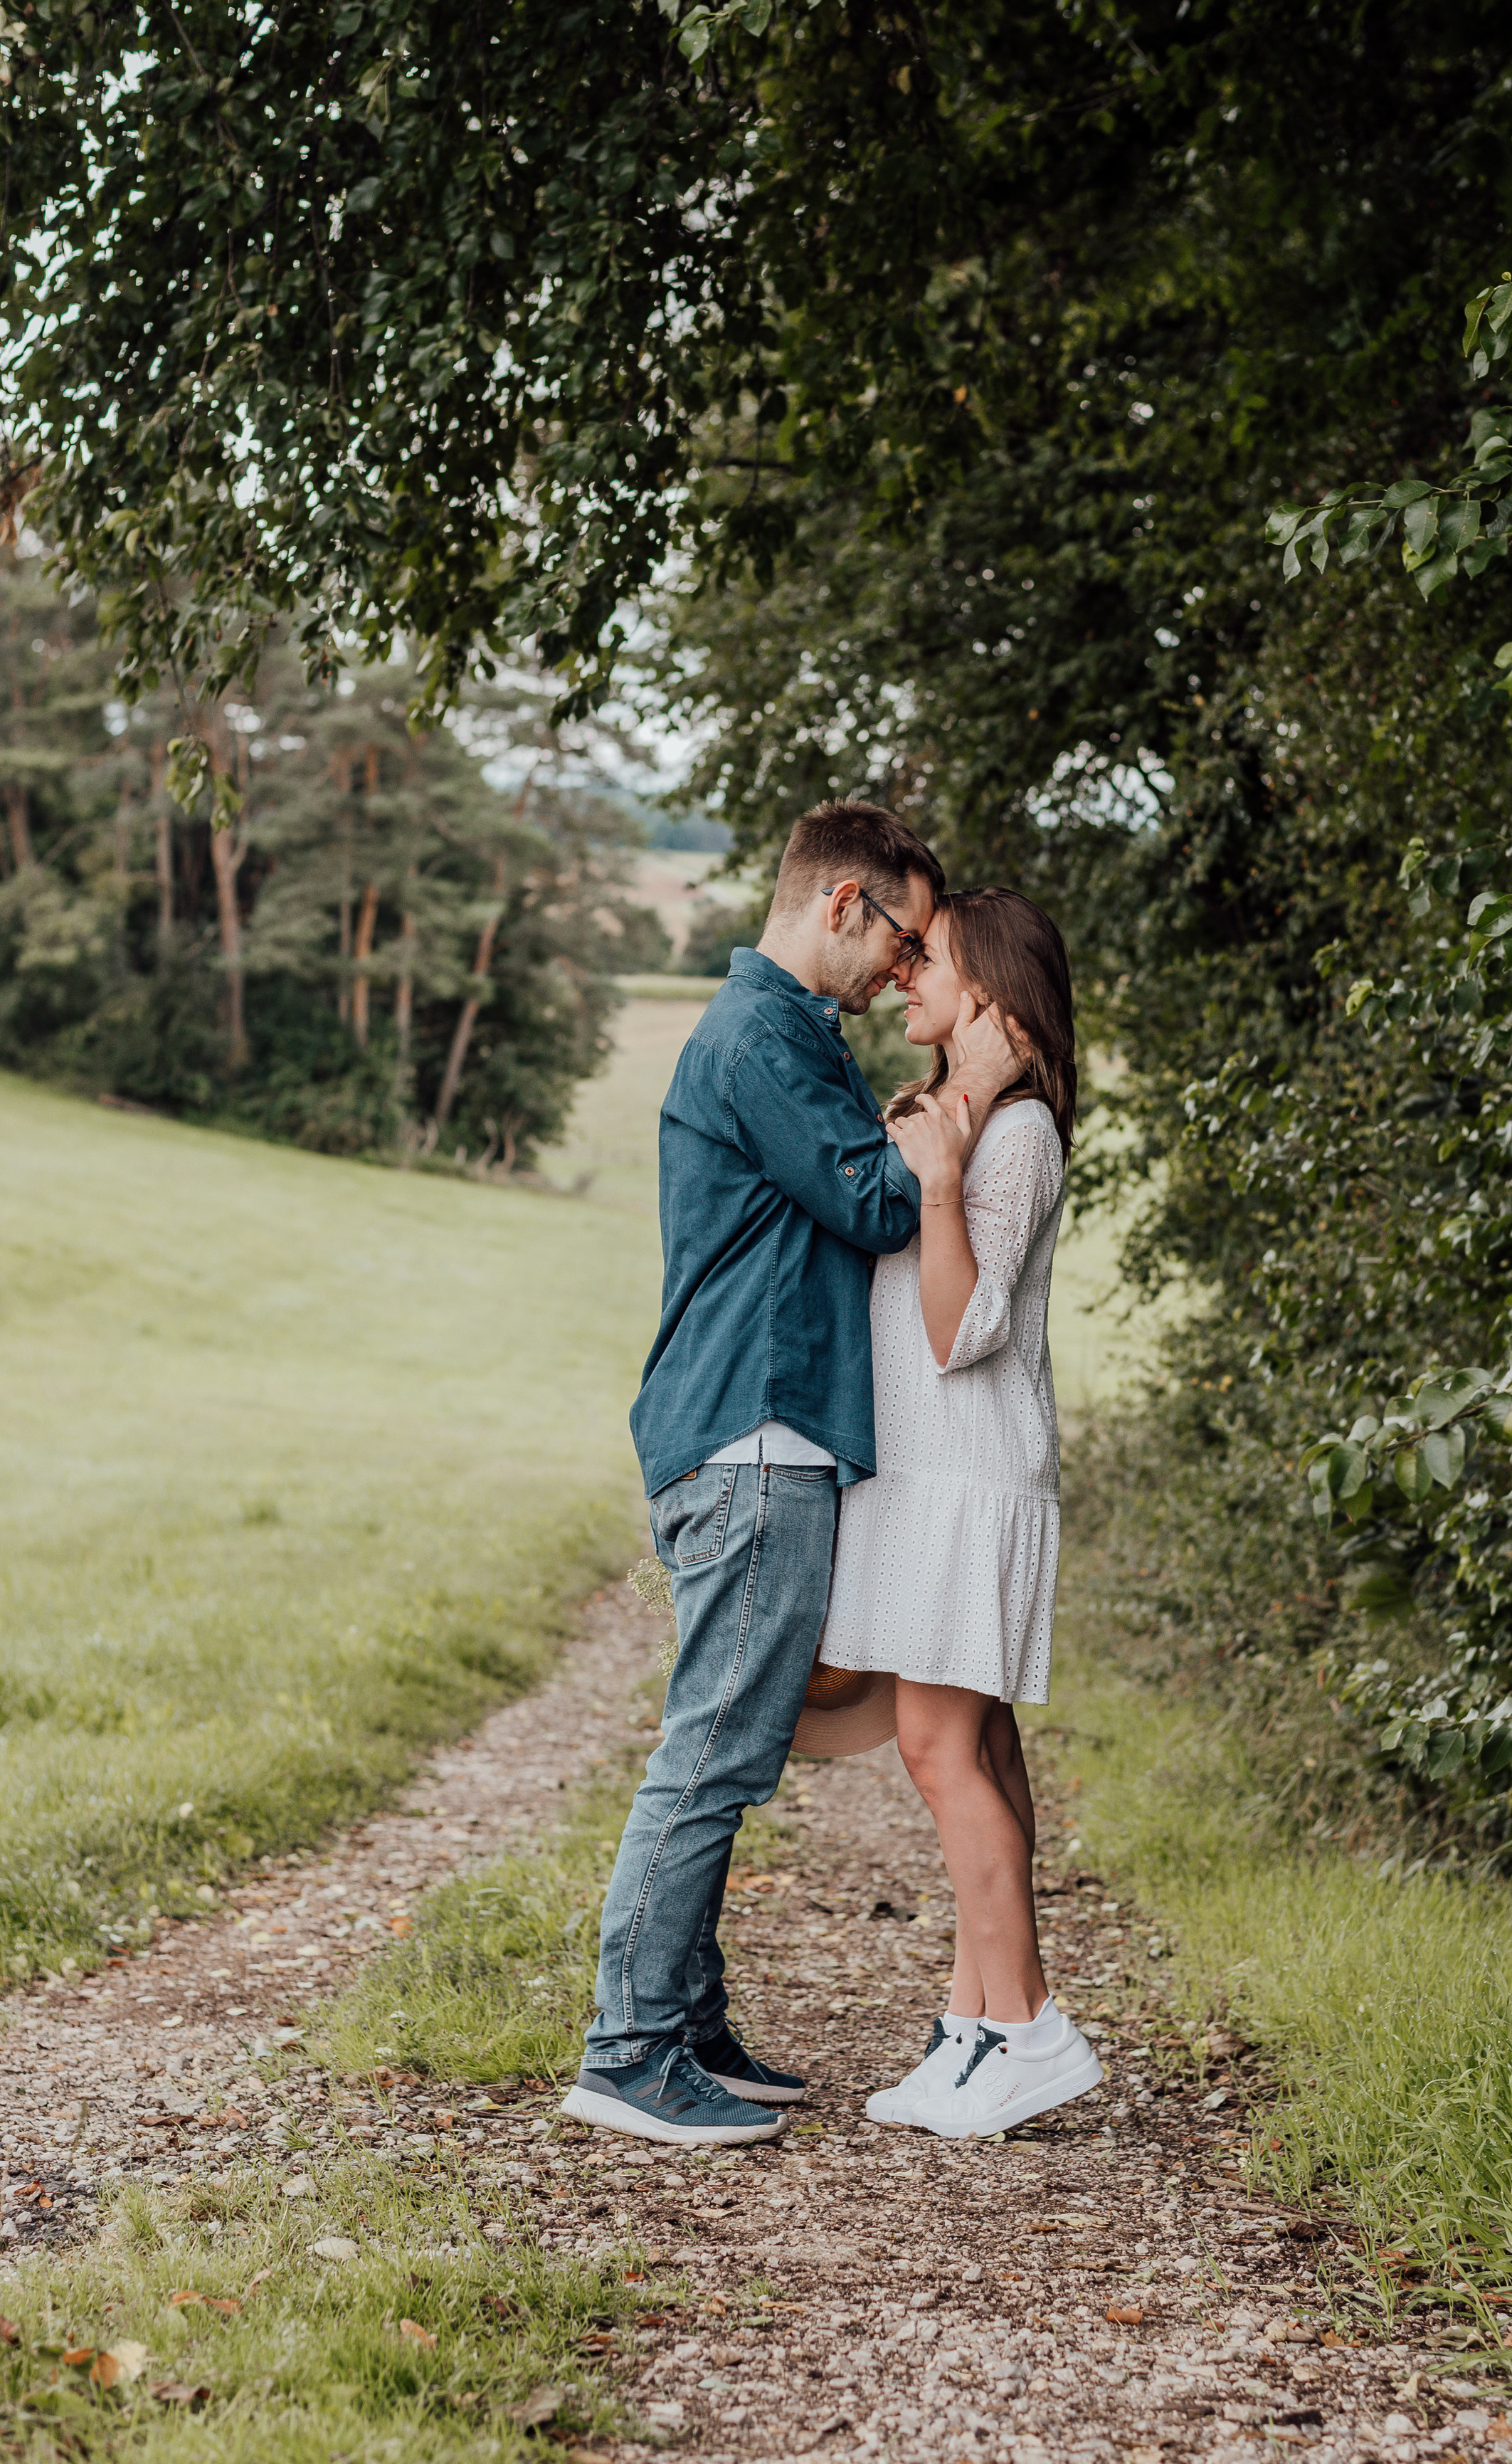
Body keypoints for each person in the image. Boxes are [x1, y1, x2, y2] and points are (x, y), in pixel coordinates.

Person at [561, 802, 1022, 2146]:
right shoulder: (762, 1032)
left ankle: (685, 2023)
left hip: (760, 1427)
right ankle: (630, 2050)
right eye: (897, 937)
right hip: (754, 1429)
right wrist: (977, 1089)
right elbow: (882, 1201)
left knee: (733, 1738)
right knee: (713, 1747)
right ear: (839, 904)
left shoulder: (782, 1036)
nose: (899, 973)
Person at [815, 886, 1105, 2138]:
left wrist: (939, 1180)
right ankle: (977, 2024)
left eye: (930, 957)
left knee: (940, 1753)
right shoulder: (979, 1117)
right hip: (937, 1473)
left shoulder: (1018, 1134)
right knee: (973, 1749)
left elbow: (958, 1330)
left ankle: (1031, 2026)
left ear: (990, 987)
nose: (905, 969)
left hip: (969, 1475)